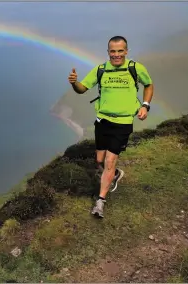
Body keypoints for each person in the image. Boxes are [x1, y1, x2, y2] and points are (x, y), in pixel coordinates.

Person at [67, 36, 154, 218]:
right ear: (108, 52)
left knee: (109, 160)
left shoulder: (135, 68)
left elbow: (148, 84)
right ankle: (115, 174)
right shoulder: (101, 70)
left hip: (122, 123)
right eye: (112, 51)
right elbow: (82, 89)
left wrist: (145, 105)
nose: (116, 55)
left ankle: (100, 202)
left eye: (120, 51)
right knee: (99, 160)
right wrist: (74, 82)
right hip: (103, 121)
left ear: (126, 51)